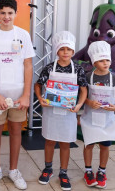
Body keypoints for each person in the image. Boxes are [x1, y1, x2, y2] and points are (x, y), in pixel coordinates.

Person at [0, 0, 35, 190]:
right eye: (2, 13)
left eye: (10, 13)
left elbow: (28, 65)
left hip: (18, 95)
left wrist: (26, 94)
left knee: (16, 130)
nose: (6, 17)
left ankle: (13, 170)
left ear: (16, 14)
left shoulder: (23, 35)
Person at [34, 31, 88, 191]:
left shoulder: (77, 70)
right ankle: (48, 168)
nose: (66, 53)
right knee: (50, 141)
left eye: (69, 50)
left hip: (69, 113)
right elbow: (38, 84)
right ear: (57, 51)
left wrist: (79, 106)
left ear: (73, 52)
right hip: (51, 113)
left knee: (65, 143)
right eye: (62, 49)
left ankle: (63, 173)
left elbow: (84, 90)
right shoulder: (50, 68)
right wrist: (40, 98)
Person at [81, 41, 115, 188]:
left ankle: (102, 170)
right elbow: (80, 95)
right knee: (89, 144)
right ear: (94, 62)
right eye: (101, 60)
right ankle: (88, 171)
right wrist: (88, 102)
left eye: (107, 60)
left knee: (105, 146)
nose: (105, 63)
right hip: (91, 117)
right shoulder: (88, 77)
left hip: (107, 118)